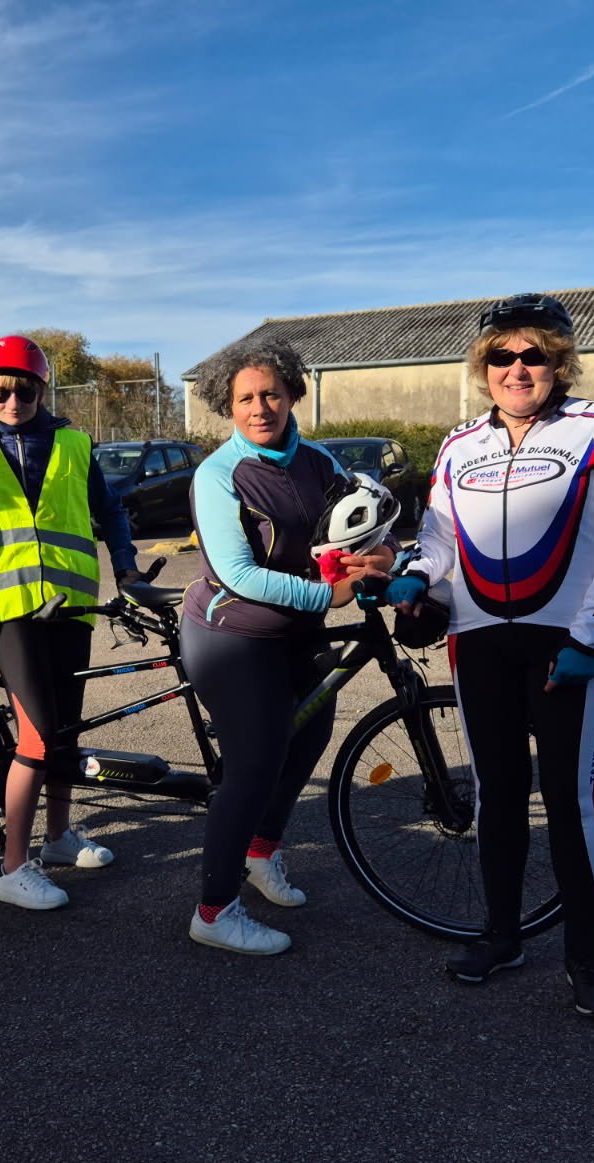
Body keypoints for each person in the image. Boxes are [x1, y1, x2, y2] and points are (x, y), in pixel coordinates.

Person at [389, 293, 594, 1017]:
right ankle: (501, 935)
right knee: (499, 799)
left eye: (533, 353)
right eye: (501, 355)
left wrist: (586, 638)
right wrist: (416, 571)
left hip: (568, 647)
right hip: (478, 645)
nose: (516, 367)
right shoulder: (458, 444)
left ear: (559, 361)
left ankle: (585, 960)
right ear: (483, 365)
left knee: (572, 806)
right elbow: (437, 534)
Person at [182, 340, 395, 955]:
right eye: (245, 398)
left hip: (298, 634)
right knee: (252, 765)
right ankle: (214, 911)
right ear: (228, 405)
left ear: (293, 394)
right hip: (233, 634)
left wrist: (379, 557)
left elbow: (350, 533)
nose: (259, 407)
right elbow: (238, 574)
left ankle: (260, 853)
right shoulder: (219, 473)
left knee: (308, 738)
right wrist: (327, 597)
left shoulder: (321, 461)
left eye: (271, 393)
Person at [0, 335, 140, 910]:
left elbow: (108, 511)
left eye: (23, 389)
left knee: (67, 728)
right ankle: (12, 867)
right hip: (11, 609)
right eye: (0, 390)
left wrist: (127, 569)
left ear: (41, 389)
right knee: (34, 734)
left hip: (71, 601)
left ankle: (57, 838)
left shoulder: (74, 442)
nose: (11, 400)